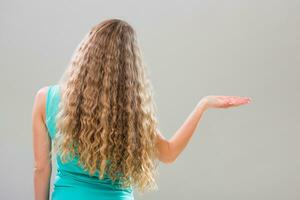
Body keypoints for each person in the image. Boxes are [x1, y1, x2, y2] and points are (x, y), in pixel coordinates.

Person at [31, 18, 251, 200]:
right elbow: (168, 153)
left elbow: (42, 169)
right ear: (130, 65)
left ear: (86, 54)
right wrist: (202, 106)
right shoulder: (131, 112)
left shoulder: (46, 99)